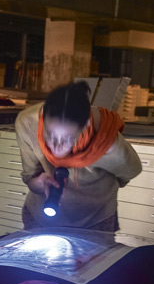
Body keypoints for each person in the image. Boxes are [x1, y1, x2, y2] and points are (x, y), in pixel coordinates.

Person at [15, 80, 141, 232]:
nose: (57, 146)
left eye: (67, 139)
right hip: (41, 216)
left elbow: (129, 173)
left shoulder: (107, 143)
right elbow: (30, 177)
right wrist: (40, 182)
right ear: (42, 118)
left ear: (86, 125)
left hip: (95, 220)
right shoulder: (28, 123)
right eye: (50, 136)